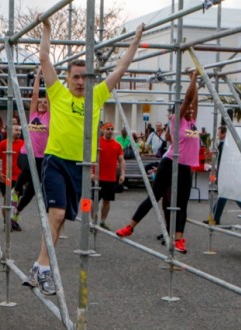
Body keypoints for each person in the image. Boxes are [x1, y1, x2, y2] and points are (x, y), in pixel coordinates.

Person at [25, 16, 144, 294]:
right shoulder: (58, 93)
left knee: (61, 219)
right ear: (67, 78)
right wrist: (47, 29)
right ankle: (45, 268)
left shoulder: (97, 95)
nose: (80, 81)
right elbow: (44, 59)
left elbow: (122, 67)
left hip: (80, 167)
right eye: (76, 77)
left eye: (84, 77)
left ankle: (40, 267)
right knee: (56, 214)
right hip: (56, 161)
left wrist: (136, 40)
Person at [116, 71, 200, 254]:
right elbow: (188, 99)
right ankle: (130, 227)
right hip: (170, 163)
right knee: (155, 197)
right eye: (188, 109)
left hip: (185, 167)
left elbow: (194, 101)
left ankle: (179, 239)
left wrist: (195, 82)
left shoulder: (192, 123)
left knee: (182, 203)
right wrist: (193, 78)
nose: (191, 111)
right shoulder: (176, 121)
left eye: (192, 110)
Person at [12, 67, 50, 231]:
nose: (41, 103)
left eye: (44, 102)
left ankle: (17, 212)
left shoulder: (49, 116)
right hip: (26, 154)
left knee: (34, 188)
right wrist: (39, 75)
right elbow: (35, 95)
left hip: (41, 157)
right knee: (29, 169)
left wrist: (48, 77)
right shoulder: (33, 115)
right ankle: (16, 190)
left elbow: (50, 96)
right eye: (40, 102)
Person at [206, 125, 241, 225]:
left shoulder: (226, 145)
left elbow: (224, 160)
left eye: (219, 132)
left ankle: (216, 218)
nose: (218, 134)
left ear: (224, 133)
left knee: (225, 195)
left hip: (227, 173)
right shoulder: (224, 144)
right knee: (228, 195)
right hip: (227, 173)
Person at [92, 123, 125, 230]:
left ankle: (102, 221)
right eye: (108, 129)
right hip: (96, 177)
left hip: (110, 178)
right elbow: (89, 158)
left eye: (112, 129)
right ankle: (91, 221)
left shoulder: (117, 145)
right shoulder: (96, 143)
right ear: (103, 130)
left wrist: (122, 174)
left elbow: (121, 160)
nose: (110, 131)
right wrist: (90, 173)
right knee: (92, 201)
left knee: (107, 201)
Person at [0, 124, 24, 230]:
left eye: (19, 130)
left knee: (16, 202)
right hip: (6, 178)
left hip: (19, 179)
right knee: (7, 201)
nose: (19, 132)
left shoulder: (23, 144)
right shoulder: (3, 143)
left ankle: (13, 222)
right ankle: (6, 222)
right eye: (16, 130)